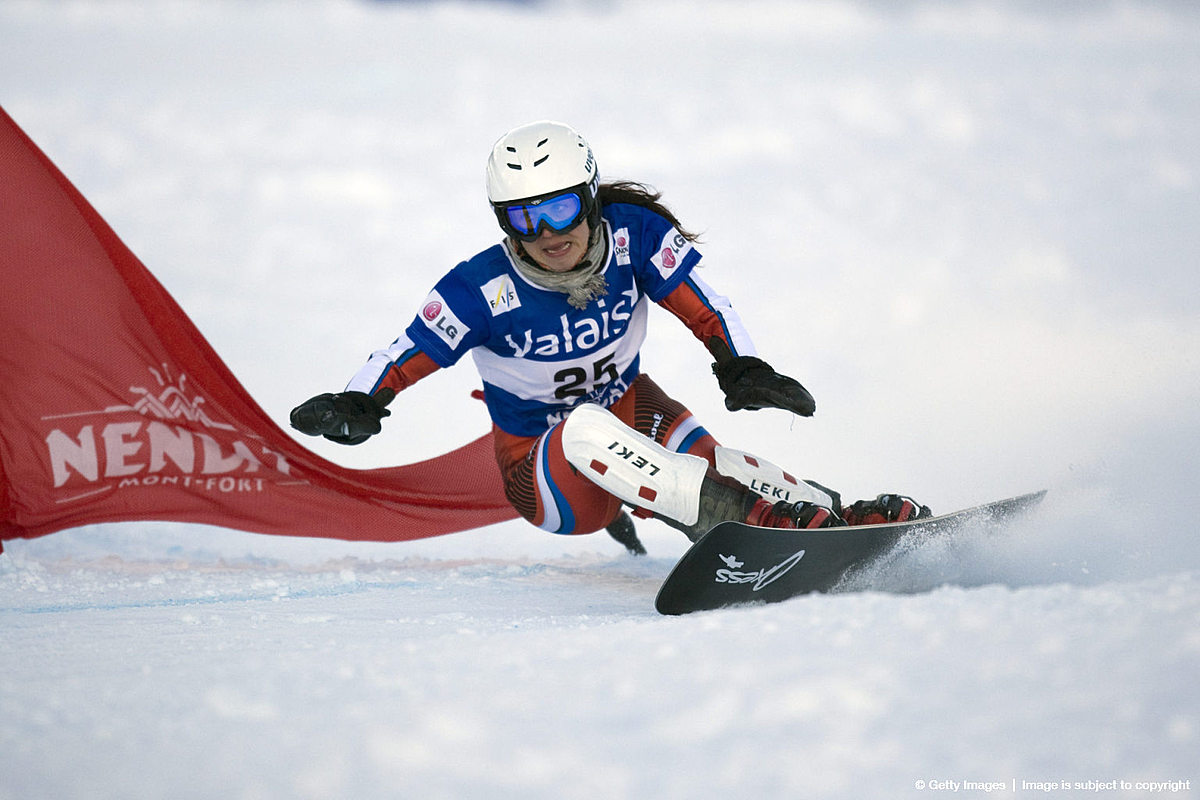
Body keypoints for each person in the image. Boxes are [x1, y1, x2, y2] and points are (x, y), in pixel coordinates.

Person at [290, 121, 930, 548]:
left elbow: (707, 304)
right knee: (586, 425)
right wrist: (361, 400)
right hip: (544, 475)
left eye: (560, 208)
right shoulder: (480, 288)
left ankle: (832, 520)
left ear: (590, 197)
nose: (547, 233)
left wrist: (741, 364)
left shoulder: (632, 235)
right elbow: (403, 352)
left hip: (631, 415)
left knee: (711, 459)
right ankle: (739, 524)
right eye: (524, 217)